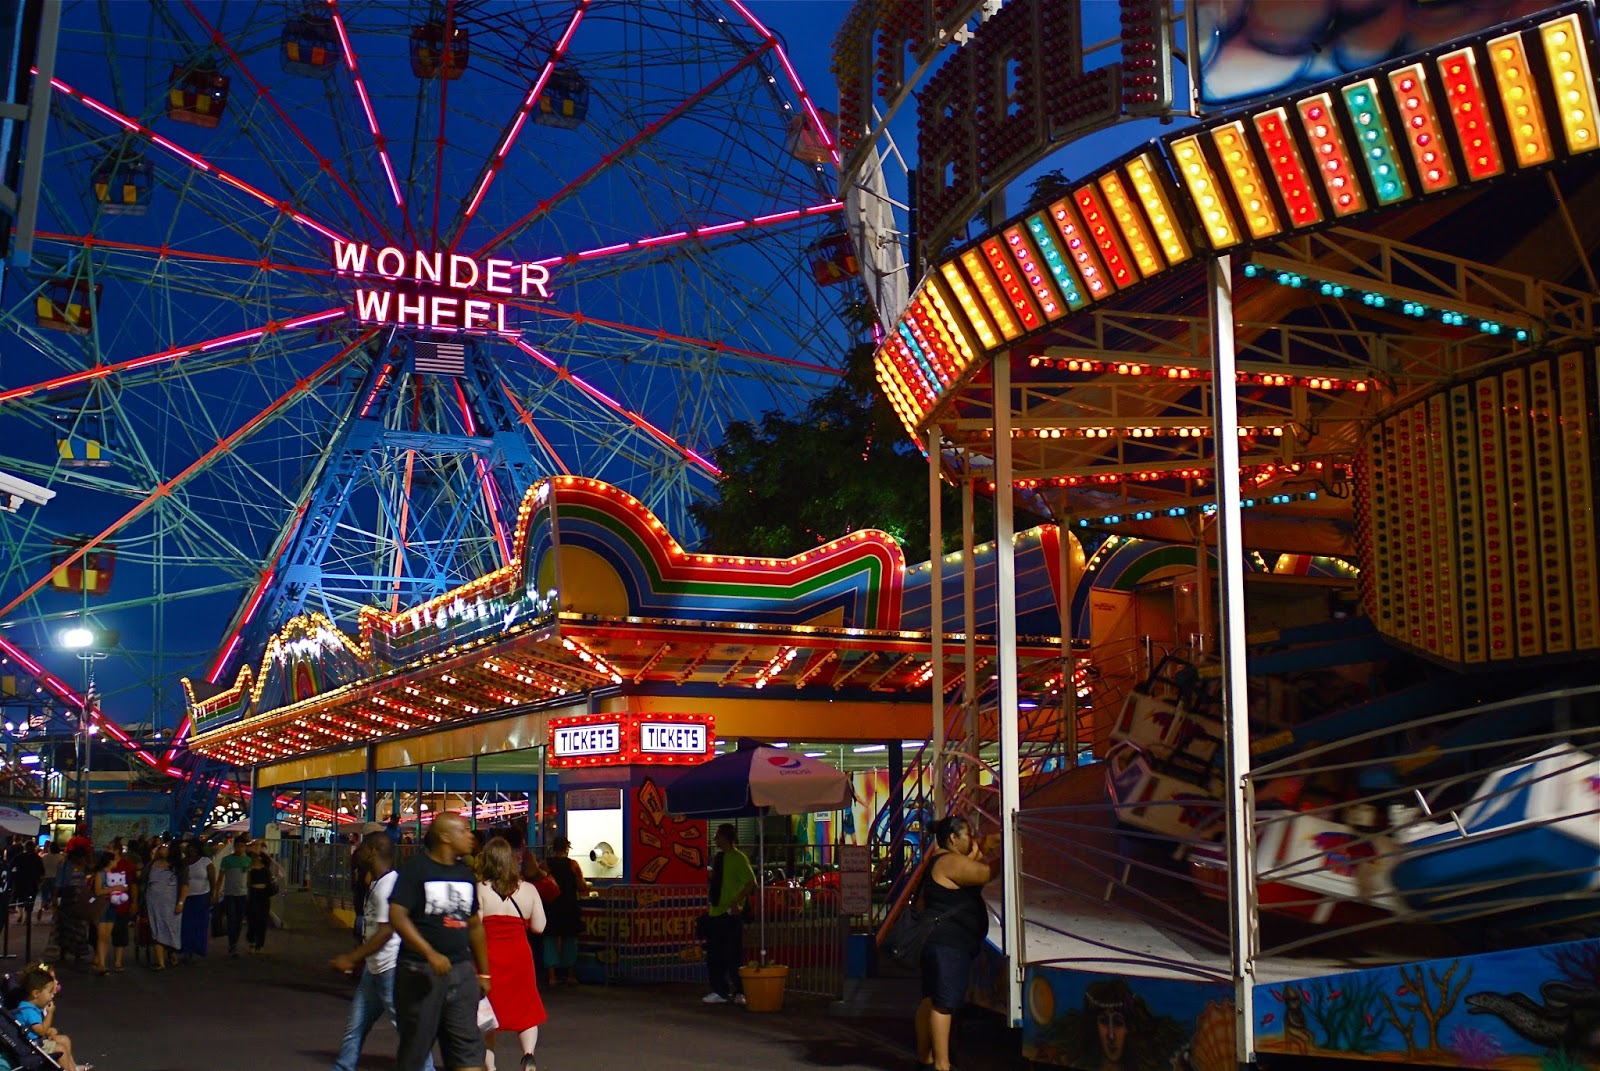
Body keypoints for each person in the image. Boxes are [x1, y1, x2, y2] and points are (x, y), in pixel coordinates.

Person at [388, 812, 491, 1071]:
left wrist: (484, 973)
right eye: (464, 831)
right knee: (415, 1049)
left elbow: (474, 924)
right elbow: (397, 916)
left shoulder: (465, 874)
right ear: (445, 837)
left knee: (467, 1050)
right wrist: (429, 953)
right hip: (420, 972)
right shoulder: (415, 870)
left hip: (461, 971)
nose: (471, 837)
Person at [331, 833, 436, 1071]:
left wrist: (352, 958)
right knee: (355, 1028)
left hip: (391, 970)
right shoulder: (378, 882)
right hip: (375, 969)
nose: (359, 852)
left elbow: (386, 931)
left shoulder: (388, 886)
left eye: (363, 848)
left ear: (373, 851)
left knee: (408, 1032)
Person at [913, 815, 999, 1071]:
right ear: (953, 838)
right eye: (967, 836)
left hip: (938, 943)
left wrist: (976, 850)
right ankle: (942, 1064)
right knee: (944, 1004)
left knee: (930, 999)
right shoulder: (950, 862)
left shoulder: (938, 861)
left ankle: (925, 1057)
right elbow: (985, 873)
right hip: (948, 946)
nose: (972, 840)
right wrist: (1006, 853)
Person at [476, 836, 546, 1071]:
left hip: (489, 956)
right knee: (525, 1009)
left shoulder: (481, 889)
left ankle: (491, 1067)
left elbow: (474, 926)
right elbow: (539, 926)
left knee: (487, 1014)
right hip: (519, 955)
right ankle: (528, 1056)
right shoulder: (529, 890)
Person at [701, 823, 755, 1006]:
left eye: (717, 835)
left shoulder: (739, 858)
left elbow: (751, 883)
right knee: (715, 955)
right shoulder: (719, 858)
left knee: (733, 954)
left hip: (729, 913)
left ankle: (739, 991)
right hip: (716, 911)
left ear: (725, 837)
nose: (715, 838)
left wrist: (735, 901)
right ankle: (720, 990)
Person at [11, 964, 90, 1071]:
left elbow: (36, 1029)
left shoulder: (31, 1007)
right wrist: (50, 1013)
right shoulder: (28, 1011)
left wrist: (49, 1031)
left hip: (36, 1041)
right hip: (31, 1046)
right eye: (49, 992)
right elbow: (41, 1031)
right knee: (60, 1049)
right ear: (36, 993)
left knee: (64, 1040)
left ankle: (72, 1067)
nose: (52, 995)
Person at [539, 837, 585, 988]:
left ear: (553, 847)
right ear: (567, 848)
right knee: (570, 940)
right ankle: (570, 975)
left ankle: (552, 977)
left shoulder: (545, 864)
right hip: (569, 905)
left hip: (551, 906)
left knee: (550, 939)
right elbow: (581, 884)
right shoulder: (572, 864)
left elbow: (539, 881)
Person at [89, 848, 136, 975]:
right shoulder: (101, 874)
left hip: (112, 906)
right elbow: (98, 891)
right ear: (109, 861)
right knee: (101, 936)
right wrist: (114, 888)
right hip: (102, 906)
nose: (116, 862)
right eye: (114, 860)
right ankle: (101, 964)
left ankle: (102, 963)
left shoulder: (114, 874)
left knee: (106, 936)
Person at [142, 840, 184, 970]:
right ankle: (160, 962)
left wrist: (181, 902)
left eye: (166, 847)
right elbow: (143, 878)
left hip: (170, 903)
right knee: (157, 929)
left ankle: (171, 952)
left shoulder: (178, 866)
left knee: (170, 928)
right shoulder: (153, 864)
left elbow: (185, 885)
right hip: (153, 902)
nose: (162, 849)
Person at [180, 839, 216, 962]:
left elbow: (212, 879)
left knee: (200, 925)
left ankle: (198, 948)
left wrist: (213, 895)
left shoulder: (205, 861)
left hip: (201, 896)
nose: (190, 849)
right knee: (186, 925)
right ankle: (186, 949)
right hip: (186, 897)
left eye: (192, 847)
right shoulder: (184, 862)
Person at [216, 834, 252, 957]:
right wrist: (217, 892)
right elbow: (220, 877)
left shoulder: (247, 860)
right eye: (238, 846)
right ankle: (232, 944)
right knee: (232, 919)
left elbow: (248, 878)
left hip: (242, 894)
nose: (240, 849)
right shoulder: (227, 860)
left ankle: (234, 942)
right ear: (234, 846)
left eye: (242, 846)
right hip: (230, 894)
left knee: (238, 920)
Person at [244, 840, 279, 954]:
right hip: (253, 893)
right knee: (252, 919)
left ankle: (259, 945)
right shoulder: (249, 865)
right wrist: (254, 844)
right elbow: (247, 850)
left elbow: (263, 854)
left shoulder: (266, 863)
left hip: (263, 895)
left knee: (262, 920)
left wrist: (259, 845)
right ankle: (252, 942)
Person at [39, 843, 61, 918]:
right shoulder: (60, 857)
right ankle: (54, 915)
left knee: (44, 896)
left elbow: (41, 868)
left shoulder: (44, 857)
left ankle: (40, 910)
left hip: (45, 878)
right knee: (54, 897)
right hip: (56, 878)